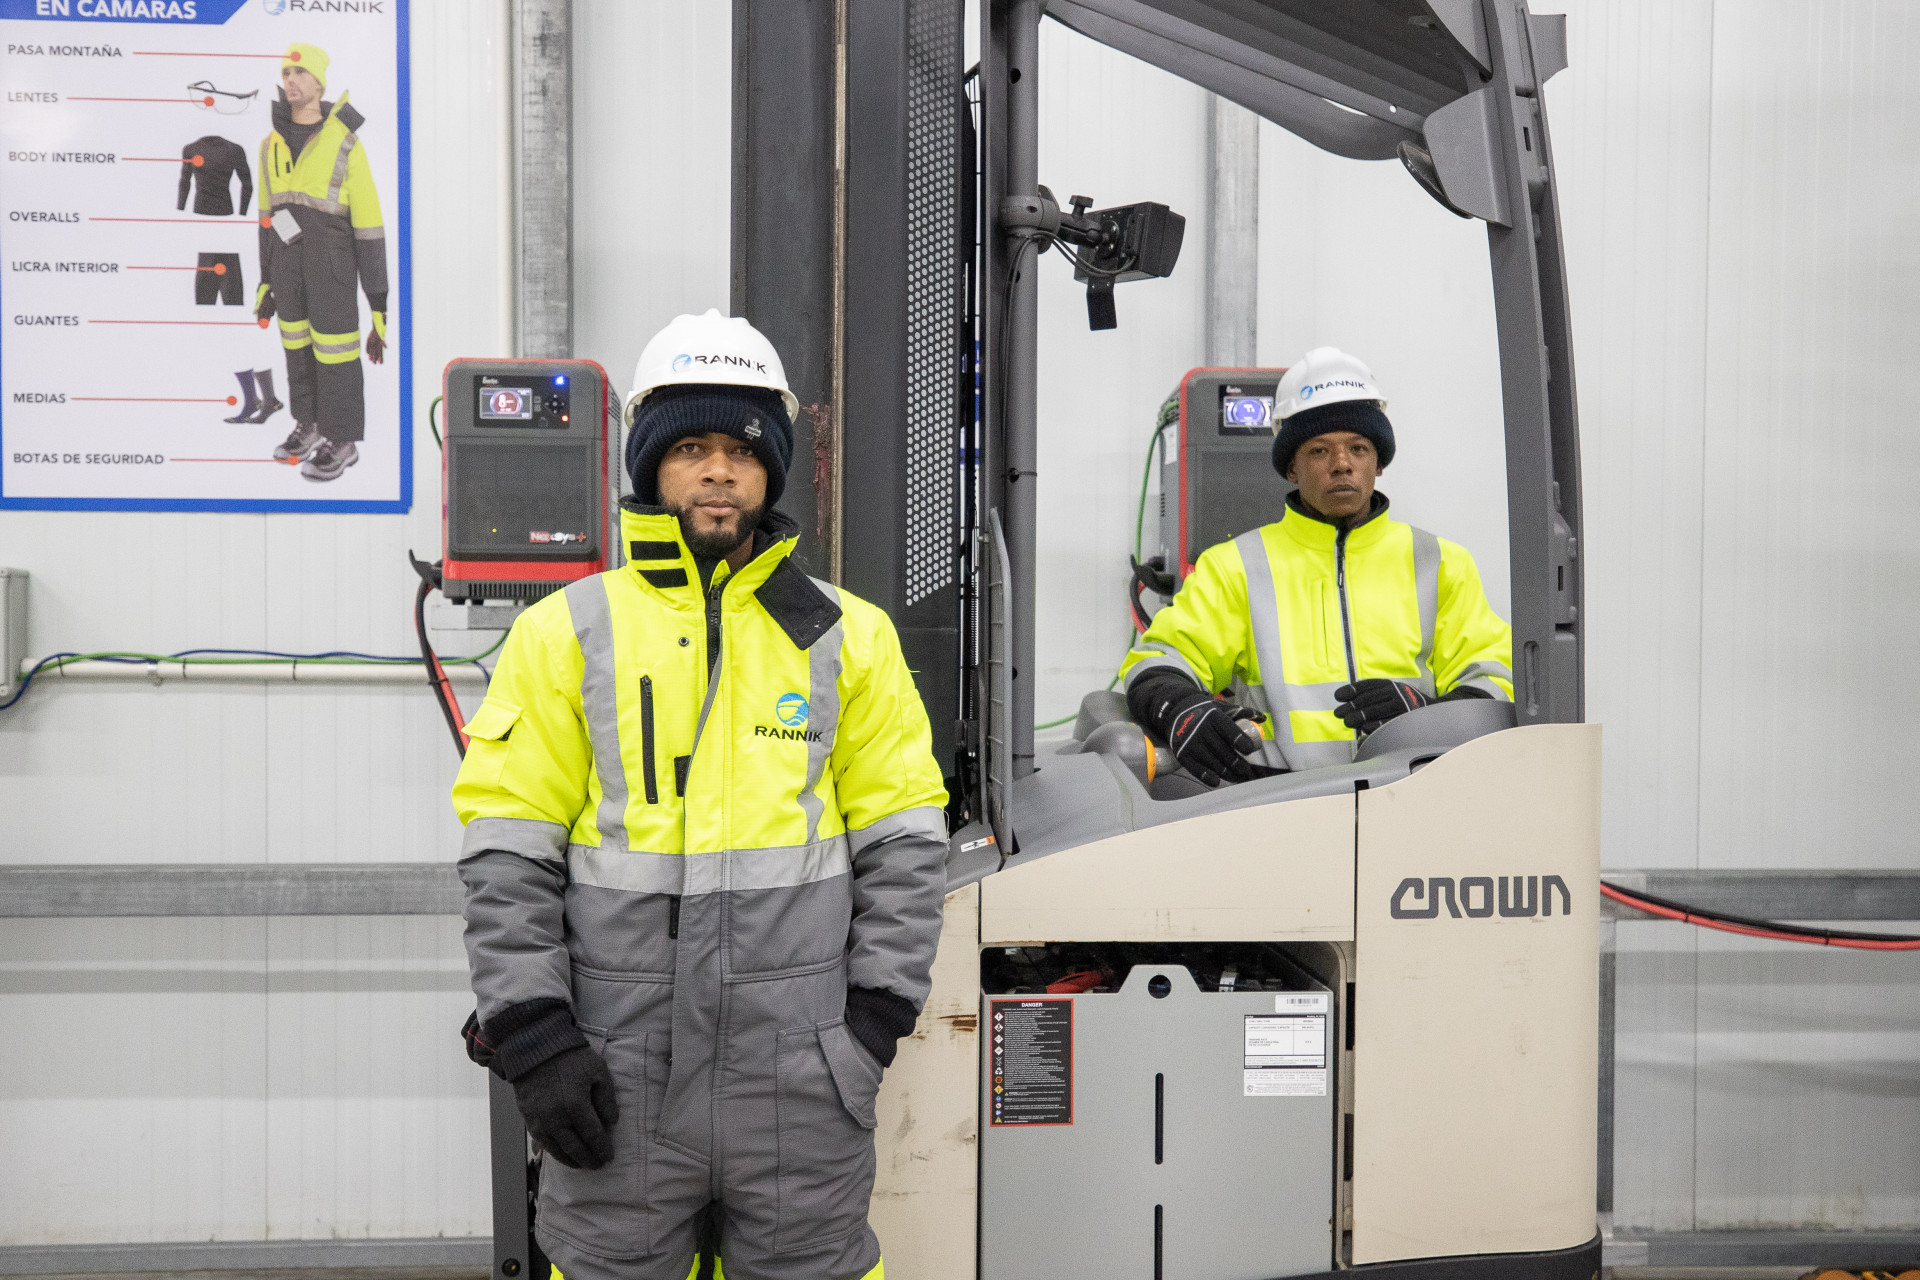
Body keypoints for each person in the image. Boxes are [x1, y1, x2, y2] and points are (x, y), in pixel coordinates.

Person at [453, 311, 949, 1280]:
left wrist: (869, 1028)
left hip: (802, 1078)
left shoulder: (848, 635)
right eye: (690, 448)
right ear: (651, 466)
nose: (719, 471)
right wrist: (536, 1035)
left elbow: (905, 845)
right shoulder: (568, 632)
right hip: (613, 1073)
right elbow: (508, 854)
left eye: (742, 449)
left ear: (772, 471)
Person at [1122, 347, 1513, 786]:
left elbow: (1498, 678)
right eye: (1319, 450)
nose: (1341, 464)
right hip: (1279, 798)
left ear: (1379, 463)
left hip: (1413, 792)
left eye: (1358, 448)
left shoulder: (1440, 562)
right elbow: (1159, 659)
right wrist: (1181, 709)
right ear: (1292, 467)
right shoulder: (1236, 567)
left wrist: (1428, 712)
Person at [253, 43, 387, 482]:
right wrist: (266, 280)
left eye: (299, 72)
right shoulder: (269, 145)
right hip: (287, 264)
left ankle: (342, 440)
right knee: (296, 349)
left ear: (319, 83)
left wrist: (378, 301)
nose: (290, 80)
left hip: (331, 265)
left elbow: (369, 223)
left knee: (337, 353)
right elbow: (267, 218)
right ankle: (308, 424)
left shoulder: (344, 141)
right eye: (285, 73)